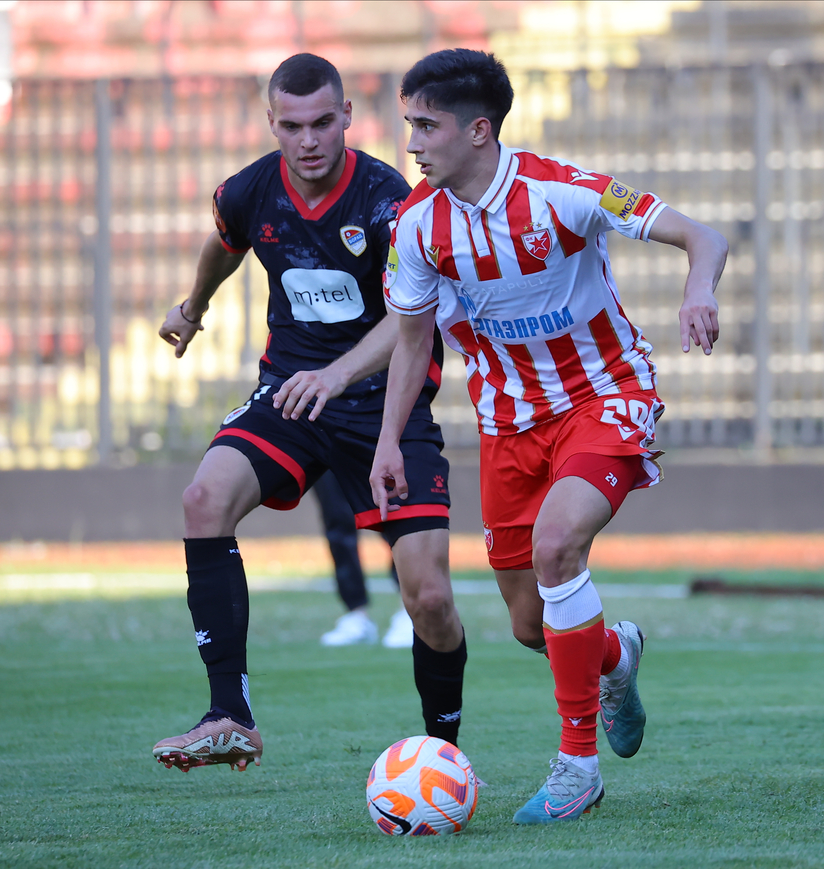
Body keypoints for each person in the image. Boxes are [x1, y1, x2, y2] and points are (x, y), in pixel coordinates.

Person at [370, 49, 727, 824]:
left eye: (425, 126)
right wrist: (388, 440)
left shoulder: (563, 191)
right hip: (507, 426)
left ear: (478, 129)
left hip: (604, 395)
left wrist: (698, 289)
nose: (412, 144)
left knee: (558, 545)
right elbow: (409, 340)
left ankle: (576, 767)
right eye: (408, 125)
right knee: (533, 624)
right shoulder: (417, 227)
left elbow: (705, 236)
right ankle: (615, 658)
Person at [154, 53, 466, 774]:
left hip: (385, 403)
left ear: (348, 117)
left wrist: (338, 373)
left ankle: (441, 756)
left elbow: (410, 319)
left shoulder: (392, 201)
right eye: (292, 126)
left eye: (324, 122)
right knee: (203, 499)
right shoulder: (250, 190)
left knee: (430, 597)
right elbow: (225, 244)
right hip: (293, 393)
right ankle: (229, 713)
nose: (309, 140)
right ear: (273, 124)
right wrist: (193, 307)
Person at [313, 470, 414, 648]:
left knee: (392, 513)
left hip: (374, 443)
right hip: (328, 445)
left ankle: (409, 610)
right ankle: (357, 615)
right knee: (337, 521)